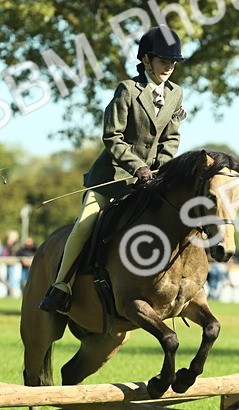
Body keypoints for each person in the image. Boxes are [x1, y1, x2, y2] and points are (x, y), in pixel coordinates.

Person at [39, 27, 187, 313]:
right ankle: (61, 286)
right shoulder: (127, 90)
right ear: (146, 60)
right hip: (112, 178)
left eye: (172, 62)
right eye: (163, 61)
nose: (169, 67)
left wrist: (160, 167)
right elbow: (112, 137)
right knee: (85, 225)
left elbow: (171, 138)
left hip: (150, 181)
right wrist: (138, 166)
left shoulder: (176, 94)